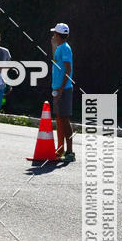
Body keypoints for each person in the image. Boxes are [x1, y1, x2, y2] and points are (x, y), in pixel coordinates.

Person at [50, 22, 75, 161]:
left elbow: (68, 69)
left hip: (63, 89)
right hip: (58, 88)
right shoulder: (60, 47)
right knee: (59, 118)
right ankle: (60, 149)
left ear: (59, 35)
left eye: (55, 33)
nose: (53, 35)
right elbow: (56, 62)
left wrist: (60, 89)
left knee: (64, 119)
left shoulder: (65, 48)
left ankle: (70, 152)